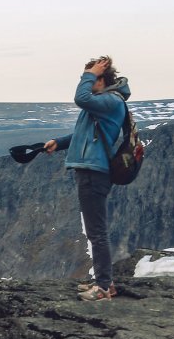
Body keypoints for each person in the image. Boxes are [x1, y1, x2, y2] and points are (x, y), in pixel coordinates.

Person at [44, 56, 131, 301]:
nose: (86, 79)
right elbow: (83, 134)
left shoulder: (111, 101)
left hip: (95, 171)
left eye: (92, 76)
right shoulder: (100, 105)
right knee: (95, 230)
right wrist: (58, 143)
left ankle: (103, 286)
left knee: (97, 231)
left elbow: (80, 98)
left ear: (101, 78)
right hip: (89, 169)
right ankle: (107, 283)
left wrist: (89, 74)